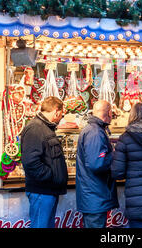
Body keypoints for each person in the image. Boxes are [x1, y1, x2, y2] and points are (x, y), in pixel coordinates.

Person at [20, 96, 68, 228]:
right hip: (42, 191)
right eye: (61, 115)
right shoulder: (35, 128)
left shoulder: (44, 127)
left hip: (47, 191)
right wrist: (51, 176)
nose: (61, 118)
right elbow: (30, 162)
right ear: (56, 112)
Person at [76, 100, 118, 228]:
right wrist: (114, 154)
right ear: (109, 112)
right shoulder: (95, 132)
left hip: (94, 196)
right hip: (95, 196)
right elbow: (96, 164)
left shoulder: (94, 129)